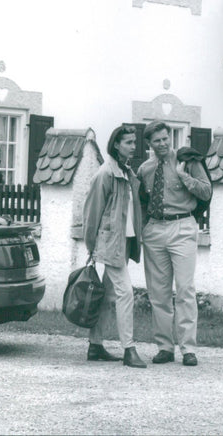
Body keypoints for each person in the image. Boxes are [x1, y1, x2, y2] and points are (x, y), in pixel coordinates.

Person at [137, 120, 212, 367]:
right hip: (155, 230)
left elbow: (206, 191)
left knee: (185, 289)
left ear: (170, 137)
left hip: (182, 226)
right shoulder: (145, 169)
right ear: (149, 143)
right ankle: (164, 347)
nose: (162, 144)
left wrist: (184, 176)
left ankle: (188, 349)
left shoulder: (187, 161)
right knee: (158, 293)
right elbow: (142, 203)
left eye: (165, 138)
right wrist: (143, 229)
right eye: (156, 140)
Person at [82, 125, 146, 368]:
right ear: (116, 144)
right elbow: (92, 212)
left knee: (108, 295)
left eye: (134, 142)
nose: (133, 146)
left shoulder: (126, 172)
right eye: (128, 142)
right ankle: (129, 349)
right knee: (125, 292)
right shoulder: (106, 173)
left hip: (124, 242)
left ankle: (95, 345)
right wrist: (91, 246)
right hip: (110, 243)